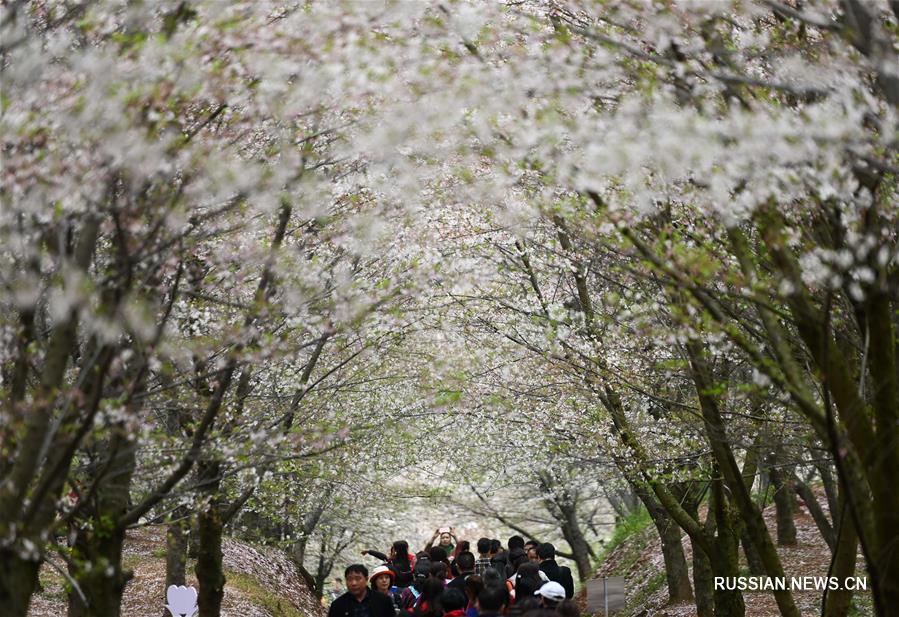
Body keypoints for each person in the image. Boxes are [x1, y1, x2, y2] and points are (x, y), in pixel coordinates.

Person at [329, 564, 395, 617]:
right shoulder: (337, 605)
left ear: (366, 579)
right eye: (349, 579)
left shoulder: (384, 601)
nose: (353, 583)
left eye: (357, 579)